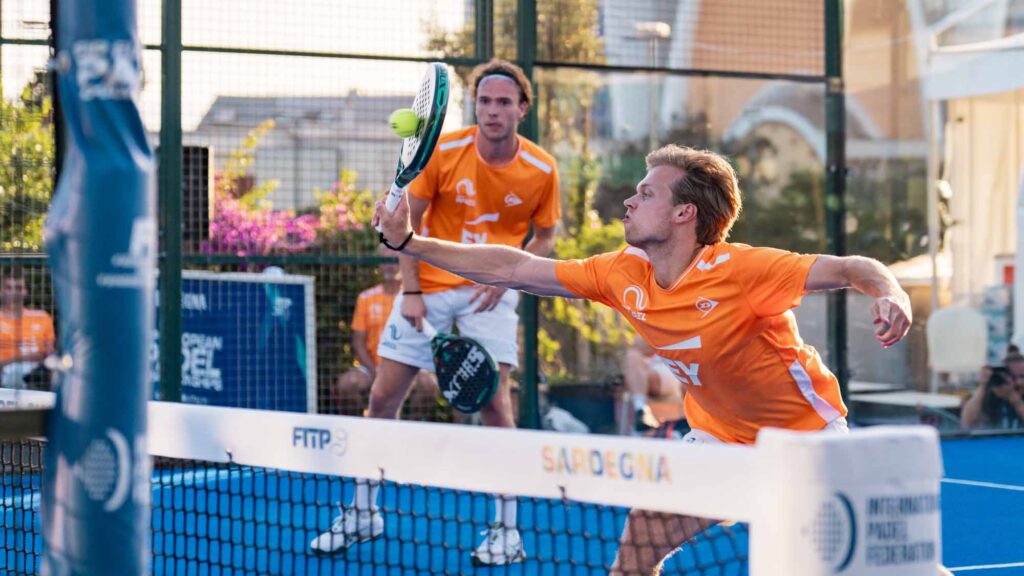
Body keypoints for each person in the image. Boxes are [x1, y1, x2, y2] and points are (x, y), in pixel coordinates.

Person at [371, 143, 955, 575]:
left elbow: (853, 268)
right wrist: (410, 243)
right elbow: (515, 267)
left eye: (647, 193)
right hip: (720, 439)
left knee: (887, 567)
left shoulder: (744, 270)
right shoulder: (622, 272)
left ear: (684, 214)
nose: (630, 199)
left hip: (806, 442)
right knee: (640, 543)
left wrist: (891, 294)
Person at [311, 58, 561, 565]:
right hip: (426, 287)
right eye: (484, 101)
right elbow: (408, 227)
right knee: (382, 397)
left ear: (522, 109)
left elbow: (547, 235)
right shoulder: (444, 152)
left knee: (496, 408)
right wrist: (410, 291)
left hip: (490, 293)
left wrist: (511, 275)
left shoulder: (541, 169)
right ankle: (362, 513)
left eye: (504, 102)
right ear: (475, 105)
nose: (492, 111)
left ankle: (507, 531)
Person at [333, 246, 438, 418]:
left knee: (428, 385)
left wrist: (407, 369)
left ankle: (411, 429)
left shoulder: (416, 299)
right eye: (385, 260)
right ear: (379, 264)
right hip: (372, 366)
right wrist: (375, 370)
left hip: (410, 365)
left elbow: (424, 338)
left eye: (394, 260)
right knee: (347, 385)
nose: (390, 266)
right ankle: (363, 427)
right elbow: (358, 342)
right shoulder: (366, 298)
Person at [1, 267, 55, 389]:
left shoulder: (42, 317)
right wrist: (16, 360)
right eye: (9, 288)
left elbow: (49, 354)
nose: (14, 292)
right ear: (1, 291)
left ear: (25, 291)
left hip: (38, 376)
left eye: (18, 288)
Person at [623, 335, 687, 436]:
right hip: (647, 369)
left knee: (650, 376)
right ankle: (640, 410)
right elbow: (637, 346)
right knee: (632, 356)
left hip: (673, 368)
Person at [961, 347, 1024, 430]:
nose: (1019, 382)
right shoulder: (986, 395)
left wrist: (1014, 398)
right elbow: (967, 423)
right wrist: (983, 385)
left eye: (1022, 376)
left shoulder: (1015, 396)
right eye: (1013, 377)